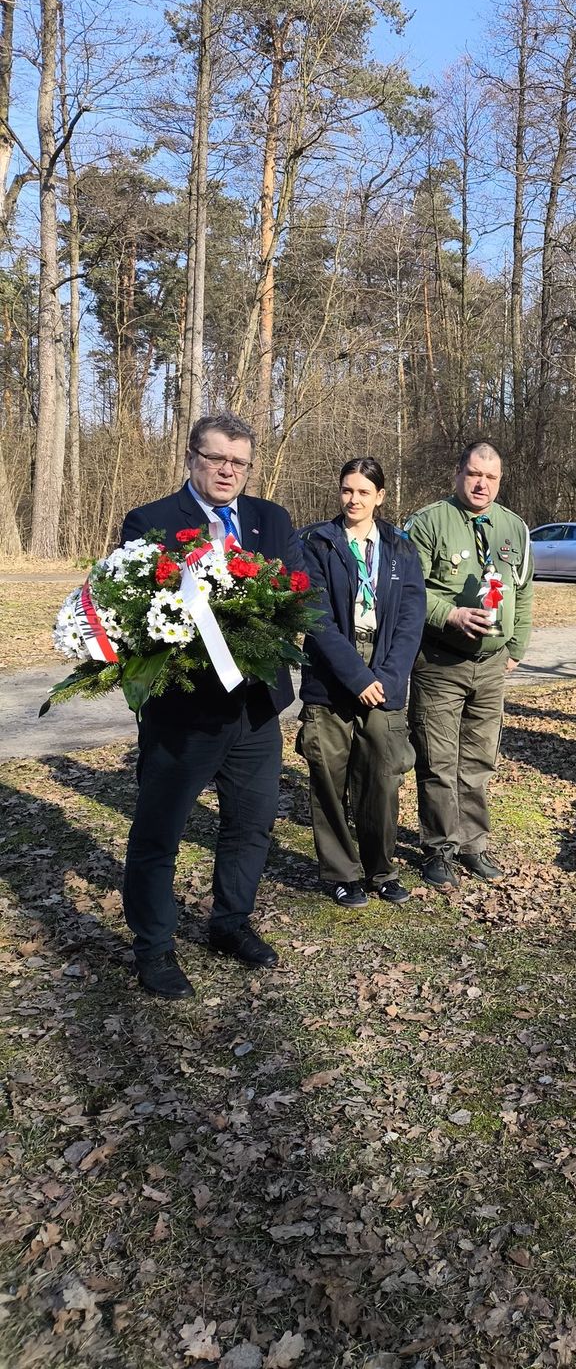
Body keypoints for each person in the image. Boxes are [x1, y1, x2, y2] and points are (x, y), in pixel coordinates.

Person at [120, 413, 305, 999]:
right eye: (217, 457)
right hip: (184, 716)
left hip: (255, 711)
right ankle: (154, 948)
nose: (228, 470)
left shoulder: (270, 520)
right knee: (160, 834)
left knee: (250, 826)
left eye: (239, 461)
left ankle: (230, 922)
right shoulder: (151, 521)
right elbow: (135, 613)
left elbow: (298, 590)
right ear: (191, 458)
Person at [297, 458, 426, 907]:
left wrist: (387, 679)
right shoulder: (316, 542)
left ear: (381, 497)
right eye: (347, 490)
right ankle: (341, 873)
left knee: (381, 778)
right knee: (328, 777)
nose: (354, 500)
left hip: (384, 668)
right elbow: (315, 616)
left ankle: (382, 870)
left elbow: (411, 620)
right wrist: (355, 676)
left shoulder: (401, 547)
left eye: (363, 492)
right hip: (333, 673)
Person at [405, 441, 533, 888]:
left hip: (492, 666)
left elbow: (524, 588)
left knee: (478, 760)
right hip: (440, 663)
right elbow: (407, 591)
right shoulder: (428, 522)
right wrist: (451, 615)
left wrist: (516, 645)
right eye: (474, 473)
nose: (482, 483)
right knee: (439, 762)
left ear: (500, 481)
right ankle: (439, 847)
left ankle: (473, 844)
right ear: (457, 475)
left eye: (491, 477)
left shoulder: (513, 527)